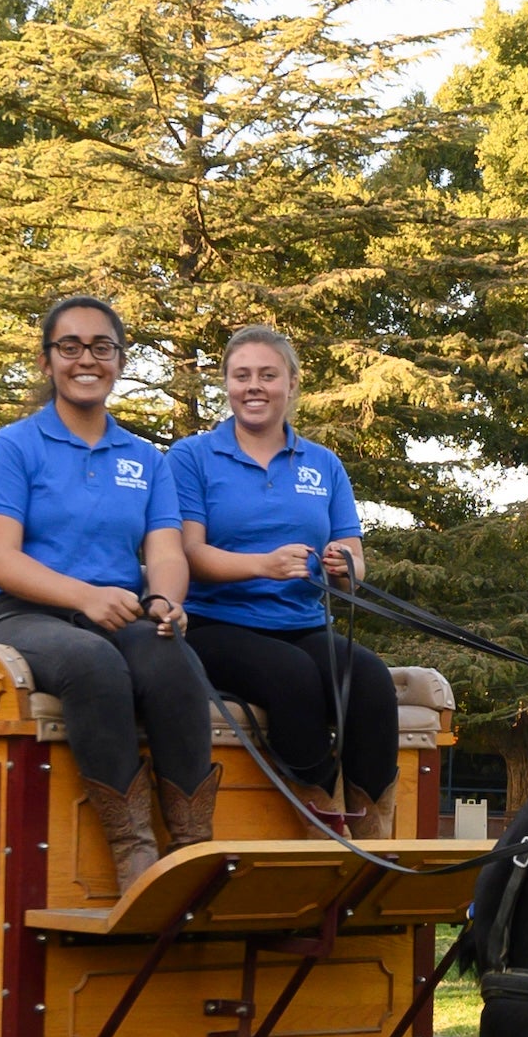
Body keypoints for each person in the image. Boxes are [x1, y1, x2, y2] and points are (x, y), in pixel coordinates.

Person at [0, 292, 212, 886]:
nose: (86, 359)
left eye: (102, 347)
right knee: (93, 663)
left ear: (120, 361)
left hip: (114, 611)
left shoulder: (145, 459)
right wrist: (83, 596)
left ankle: (194, 847)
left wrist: (167, 600)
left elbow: (166, 551)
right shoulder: (13, 447)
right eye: (69, 347)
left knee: (173, 658)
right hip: (17, 615)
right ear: (47, 363)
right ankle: (134, 852)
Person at [170, 325, 404, 832]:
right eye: (241, 375)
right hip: (215, 625)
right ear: (227, 385)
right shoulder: (192, 457)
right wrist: (263, 564)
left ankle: (373, 833)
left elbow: (356, 566)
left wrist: (344, 567)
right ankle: (322, 821)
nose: (254, 386)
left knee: (370, 680)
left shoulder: (324, 464)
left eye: (268, 375)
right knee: (292, 676)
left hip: (300, 622)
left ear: (292, 385)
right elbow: (187, 554)